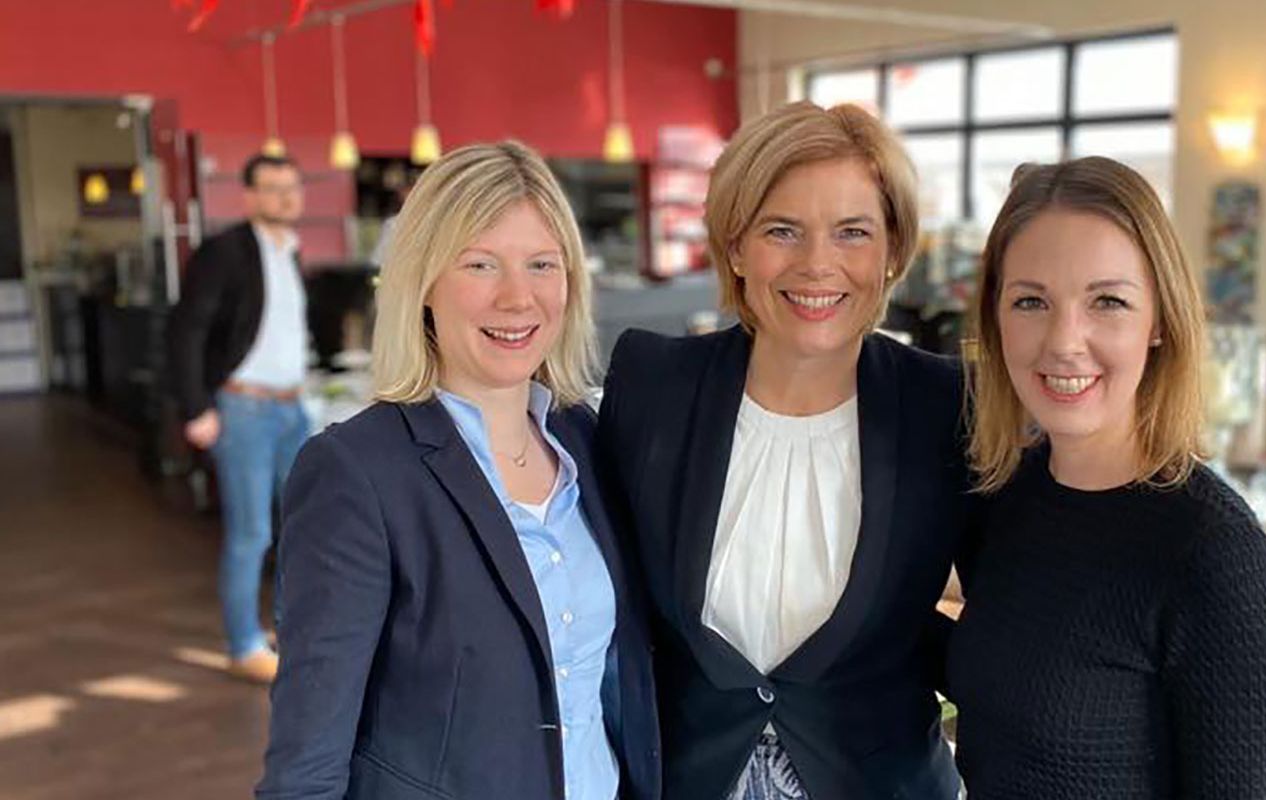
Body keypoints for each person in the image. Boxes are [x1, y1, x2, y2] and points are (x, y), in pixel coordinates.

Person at [258, 141, 660, 800]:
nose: (518, 297)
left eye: (542, 264)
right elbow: (307, 761)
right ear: (423, 283)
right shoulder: (354, 472)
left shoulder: (585, 441)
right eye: (480, 264)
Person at [598, 100, 972, 799]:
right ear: (736, 246)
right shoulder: (651, 386)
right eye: (782, 230)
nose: (817, 264)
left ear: (893, 251)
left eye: (853, 232)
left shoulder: (946, 405)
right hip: (684, 781)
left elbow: (1009, 617)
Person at [946, 157, 1266, 798]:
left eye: (1107, 301)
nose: (1064, 341)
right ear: (996, 318)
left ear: (1159, 319)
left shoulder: (1216, 559)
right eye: (1031, 301)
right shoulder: (1005, 501)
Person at [167, 152, 311, 684]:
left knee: (301, 527)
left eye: (292, 187)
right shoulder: (225, 251)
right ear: (249, 196)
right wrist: (195, 407)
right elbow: (186, 329)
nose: (286, 197)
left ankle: (290, 632)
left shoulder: (291, 250)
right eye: (273, 188)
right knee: (251, 534)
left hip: (293, 408)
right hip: (244, 408)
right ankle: (243, 645)